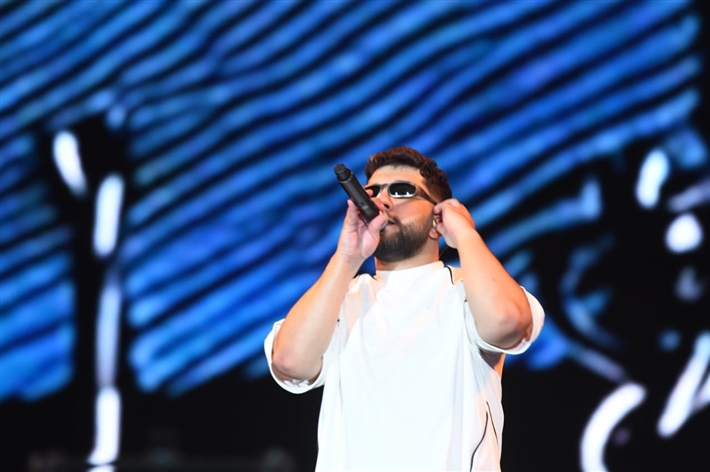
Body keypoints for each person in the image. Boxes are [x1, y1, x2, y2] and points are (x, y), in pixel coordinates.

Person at [264, 146, 544, 471]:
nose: (381, 202)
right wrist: (347, 257)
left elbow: (507, 322)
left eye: (401, 191)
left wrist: (465, 234)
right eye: (372, 192)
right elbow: (289, 363)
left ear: (438, 219)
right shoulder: (339, 298)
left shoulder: (468, 290)